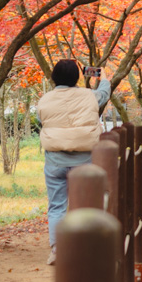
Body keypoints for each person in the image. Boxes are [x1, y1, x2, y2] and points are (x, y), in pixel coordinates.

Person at [36, 59, 113, 265]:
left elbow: (40, 120)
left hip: (55, 159)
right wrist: (103, 77)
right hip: (85, 158)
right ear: (77, 77)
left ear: (54, 77)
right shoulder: (90, 96)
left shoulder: (45, 100)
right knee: (87, 204)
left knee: (57, 206)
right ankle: (86, 248)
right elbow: (104, 94)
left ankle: (57, 249)